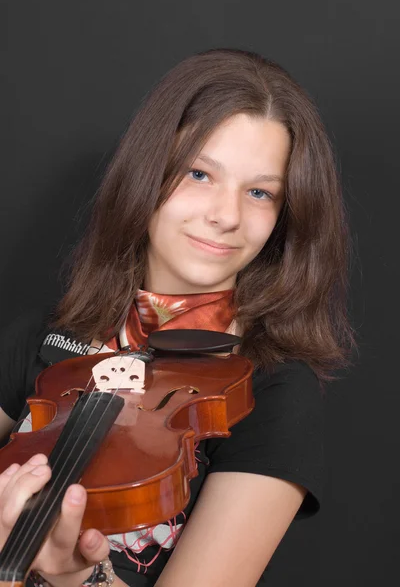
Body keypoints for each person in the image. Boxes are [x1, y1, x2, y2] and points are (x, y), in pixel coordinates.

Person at [0, 48, 355, 587]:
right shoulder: (43, 334)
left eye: (259, 192)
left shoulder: (273, 393)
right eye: (199, 173)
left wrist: (80, 582)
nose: (226, 215)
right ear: (148, 173)